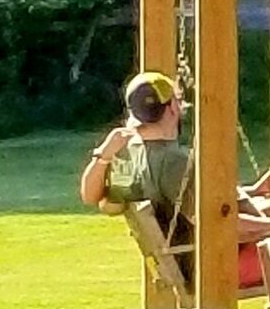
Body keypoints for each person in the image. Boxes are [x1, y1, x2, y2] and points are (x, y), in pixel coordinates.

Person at [79, 72, 195, 250]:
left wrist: (103, 155)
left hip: (168, 264)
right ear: (173, 107)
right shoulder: (177, 161)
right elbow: (217, 221)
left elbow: (94, 199)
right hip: (200, 262)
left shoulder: (127, 156)